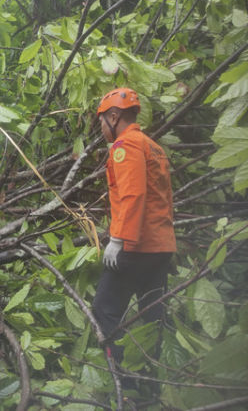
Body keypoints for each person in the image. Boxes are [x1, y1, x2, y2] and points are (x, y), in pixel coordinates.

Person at [92, 87, 177, 365]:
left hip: (136, 246)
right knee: (151, 319)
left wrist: (118, 240)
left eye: (101, 121)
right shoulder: (153, 146)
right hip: (160, 247)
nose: (101, 128)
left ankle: (122, 380)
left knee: (104, 309)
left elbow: (133, 194)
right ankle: (150, 383)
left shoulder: (125, 146)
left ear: (114, 116)